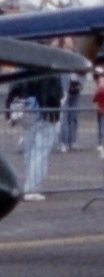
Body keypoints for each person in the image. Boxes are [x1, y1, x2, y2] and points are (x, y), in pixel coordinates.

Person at [6, 73, 62, 201]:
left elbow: (13, 89)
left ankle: (29, 183)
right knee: (40, 151)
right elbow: (55, 94)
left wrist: (9, 112)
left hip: (25, 111)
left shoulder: (23, 68)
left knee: (30, 149)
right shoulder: (51, 72)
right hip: (45, 112)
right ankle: (33, 187)